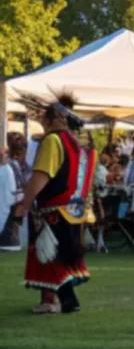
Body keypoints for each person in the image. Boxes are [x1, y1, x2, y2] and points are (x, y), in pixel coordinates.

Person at [14, 92, 97, 314]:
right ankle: (55, 300)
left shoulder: (53, 141)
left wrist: (23, 204)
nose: (42, 119)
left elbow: (41, 177)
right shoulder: (78, 143)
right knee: (58, 255)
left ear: (59, 118)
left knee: (51, 256)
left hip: (53, 210)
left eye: (45, 116)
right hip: (72, 210)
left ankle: (65, 302)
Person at [0, 133, 29, 251]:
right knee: (13, 221)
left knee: (13, 221)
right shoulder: (13, 164)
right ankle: (13, 239)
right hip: (17, 195)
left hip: (17, 196)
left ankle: (13, 239)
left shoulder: (11, 165)